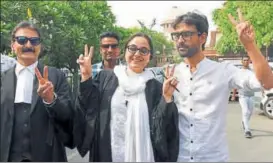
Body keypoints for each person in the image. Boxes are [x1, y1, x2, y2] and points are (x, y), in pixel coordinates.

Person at [169, 9, 273, 162]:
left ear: (202, 37)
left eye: (186, 34)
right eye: (176, 35)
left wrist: (249, 45)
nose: (180, 40)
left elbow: (267, 82)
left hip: (213, 158)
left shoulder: (223, 71)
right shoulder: (171, 73)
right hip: (180, 157)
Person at [75, 33, 179, 162]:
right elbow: (86, 106)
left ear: (149, 56)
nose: (137, 54)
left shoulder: (156, 88)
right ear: (124, 52)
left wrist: (167, 98)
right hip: (108, 153)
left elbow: (164, 127)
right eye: (132, 48)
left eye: (144, 50)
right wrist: (85, 77)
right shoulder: (106, 78)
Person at [0, 21, 74, 161]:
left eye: (34, 41)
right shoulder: (3, 79)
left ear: (40, 46)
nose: (28, 45)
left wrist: (51, 99)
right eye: (22, 40)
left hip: (46, 155)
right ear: (13, 45)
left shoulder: (56, 76)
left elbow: (68, 117)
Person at [235, 56, 257, 138]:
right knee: (245, 111)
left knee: (250, 112)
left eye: (247, 60)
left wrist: (261, 90)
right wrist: (234, 95)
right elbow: (236, 83)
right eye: (244, 60)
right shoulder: (239, 72)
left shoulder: (252, 71)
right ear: (242, 61)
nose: (246, 61)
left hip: (251, 95)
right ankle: (247, 130)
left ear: (249, 61)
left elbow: (256, 82)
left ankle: (244, 122)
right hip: (242, 95)